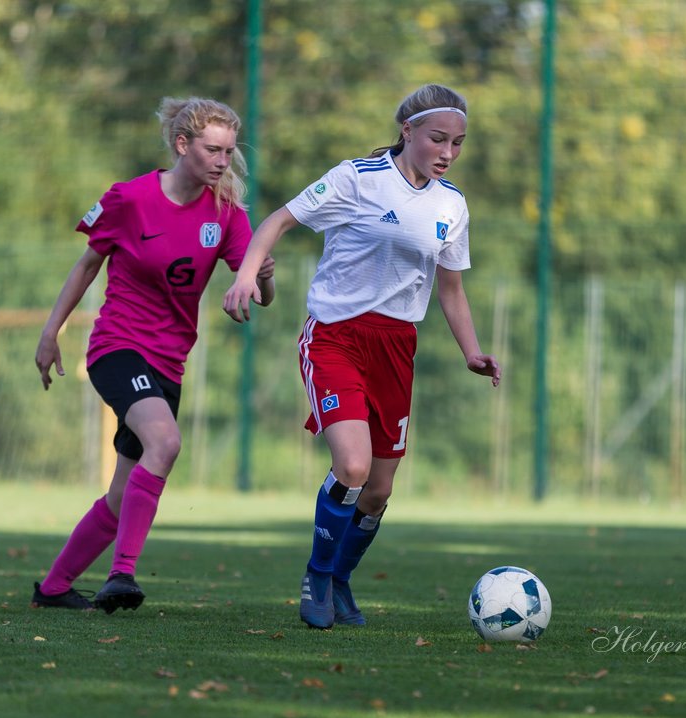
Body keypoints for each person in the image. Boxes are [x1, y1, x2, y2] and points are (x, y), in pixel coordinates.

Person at [222, 83, 500, 629]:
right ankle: (317, 575)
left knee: (377, 491)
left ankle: (342, 581)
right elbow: (279, 220)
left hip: (397, 346)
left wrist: (472, 352)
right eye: (437, 139)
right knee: (352, 466)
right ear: (407, 131)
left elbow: (450, 290)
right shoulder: (358, 178)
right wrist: (246, 274)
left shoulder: (452, 204)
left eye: (458, 143)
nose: (447, 152)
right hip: (336, 335)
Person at [33, 96, 274, 613]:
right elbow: (86, 266)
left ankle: (53, 588)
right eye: (213, 149)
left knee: (123, 495)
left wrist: (261, 278)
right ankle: (122, 575)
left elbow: (257, 288)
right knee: (164, 442)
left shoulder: (227, 214)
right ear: (182, 144)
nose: (222, 161)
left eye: (229, 151)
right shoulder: (129, 198)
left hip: (169, 364)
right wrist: (51, 330)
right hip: (117, 347)